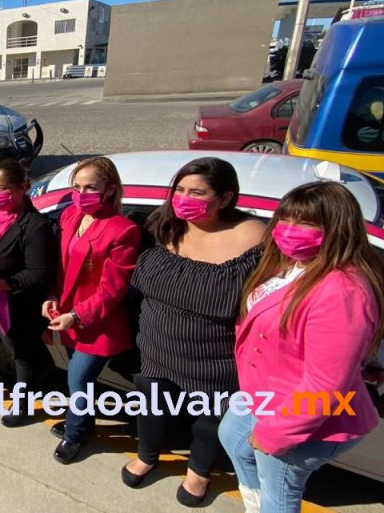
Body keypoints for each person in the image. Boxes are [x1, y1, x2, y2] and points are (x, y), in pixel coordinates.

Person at [219, 181, 384, 513]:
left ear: (336, 229)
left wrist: (275, 436)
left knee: (278, 494)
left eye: (306, 223)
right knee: (233, 437)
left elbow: (324, 388)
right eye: (285, 219)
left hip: (299, 419)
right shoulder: (294, 264)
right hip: (265, 394)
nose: (289, 231)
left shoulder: (341, 290)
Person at [123, 157, 266, 507]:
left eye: (197, 192)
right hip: (157, 347)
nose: (184, 198)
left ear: (225, 197)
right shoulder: (165, 225)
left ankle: (199, 472)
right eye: (180, 190)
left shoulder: (253, 236)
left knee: (209, 422)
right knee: (152, 408)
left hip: (216, 359)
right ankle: (147, 455)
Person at [43, 157, 141, 463]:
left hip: (97, 324)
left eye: (90, 187)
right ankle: (82, 421)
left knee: (78, 381)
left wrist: (77, 315)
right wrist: (51, 296)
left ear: (109, 189)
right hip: (67, 316)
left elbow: (112, 289)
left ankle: (76, 435)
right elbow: (60, 266)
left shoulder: (123, 231)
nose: (81, 193)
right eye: (77, 186)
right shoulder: (71, 216)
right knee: (76, 378)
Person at [0, 159, 56, 426]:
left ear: (22, 188)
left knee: (21, 353)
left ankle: (23, 403)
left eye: (3, 188)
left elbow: (38, 271)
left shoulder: (34, 225)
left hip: (16, 303)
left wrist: (1, 284)